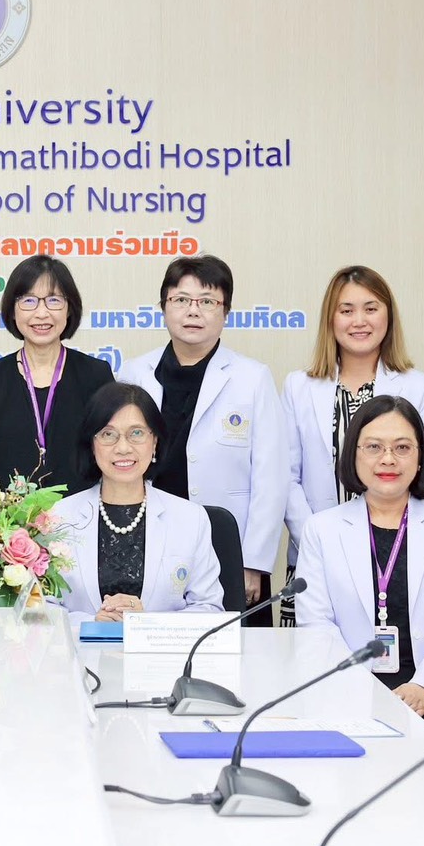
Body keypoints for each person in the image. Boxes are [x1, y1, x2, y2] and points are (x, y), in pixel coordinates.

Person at [294, 396, 424, 735]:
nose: (388, 459)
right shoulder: (322, 529)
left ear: (420, 457)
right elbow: (316, 624)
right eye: (373, 447)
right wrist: (358, 690)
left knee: (418, 751)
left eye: (402, 448)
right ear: (353, 454)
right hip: (347, 688)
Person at [118, 255, 288, 621]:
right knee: (151, 642)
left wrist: (253, 561)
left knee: (234, 648)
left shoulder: (252, 377)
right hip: (151, 540)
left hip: (228, 547)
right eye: (181, 299)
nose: (193, 311)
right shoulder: (134, 373)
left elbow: (271, 478)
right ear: (163, 307)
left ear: (225, 312)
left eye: (207, 301)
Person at [281, 265, 424, 625]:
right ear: (330, 319)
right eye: (346, 310)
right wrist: (319, 540)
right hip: (316, 556)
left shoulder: (418, 387)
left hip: (395, 554)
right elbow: (286, 477)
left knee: (398, 651)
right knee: (316, 652)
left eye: (371, 308)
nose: (359, 321)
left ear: (388, 316)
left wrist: (388, 535)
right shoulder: (298, 387)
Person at [50, 383, 226, 629]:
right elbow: (38, 609)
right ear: (92, 444)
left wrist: (146, 622)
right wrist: (92, 623)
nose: (123, 448)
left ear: (154, 442)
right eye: (108, 434)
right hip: (80, 651)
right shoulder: (57, 518)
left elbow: (210, 610)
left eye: (136, 433)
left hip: (161, 652)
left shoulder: (190, 519)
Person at [0, 255, 113, 494]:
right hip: (8, 515)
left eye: (54, 300)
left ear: (69, 308)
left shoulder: (95, 375)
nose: (42, 313)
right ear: (12, 310)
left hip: (82, 513)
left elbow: (111, 453)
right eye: (29, 301)